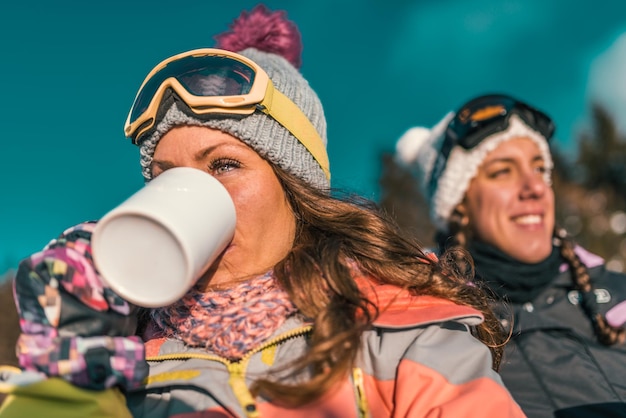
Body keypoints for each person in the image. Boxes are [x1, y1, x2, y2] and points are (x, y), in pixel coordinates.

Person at [0, 7, 525, 418]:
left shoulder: (399, 329)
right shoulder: (124, 351)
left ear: (295, 190)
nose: (191, 194)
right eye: (165, 177)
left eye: (224, 164)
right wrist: (69, 366)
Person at [396, 93, 626, 417]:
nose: (535, 187)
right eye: (503, 172)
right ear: (458, 204)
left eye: (539, 168)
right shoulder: (427, 321)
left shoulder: (617, 294)